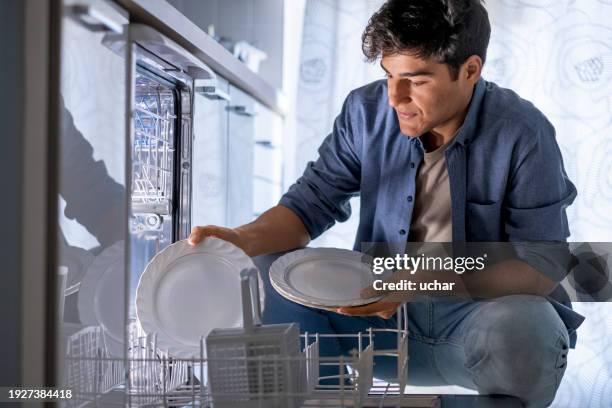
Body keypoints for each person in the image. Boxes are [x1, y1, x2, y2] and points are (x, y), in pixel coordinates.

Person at [189, 1, 584, 406]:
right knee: (270, 270)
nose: (396, 96)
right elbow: (308, 204)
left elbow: (541, 266)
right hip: (376, 314)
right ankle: (323, 400)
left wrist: (421, 280)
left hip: (479, 323)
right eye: (389, 75)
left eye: (416, 80)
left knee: (530, 326)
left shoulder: (523, 132)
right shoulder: (366, 112)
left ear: (470, 70)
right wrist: (241, 238)